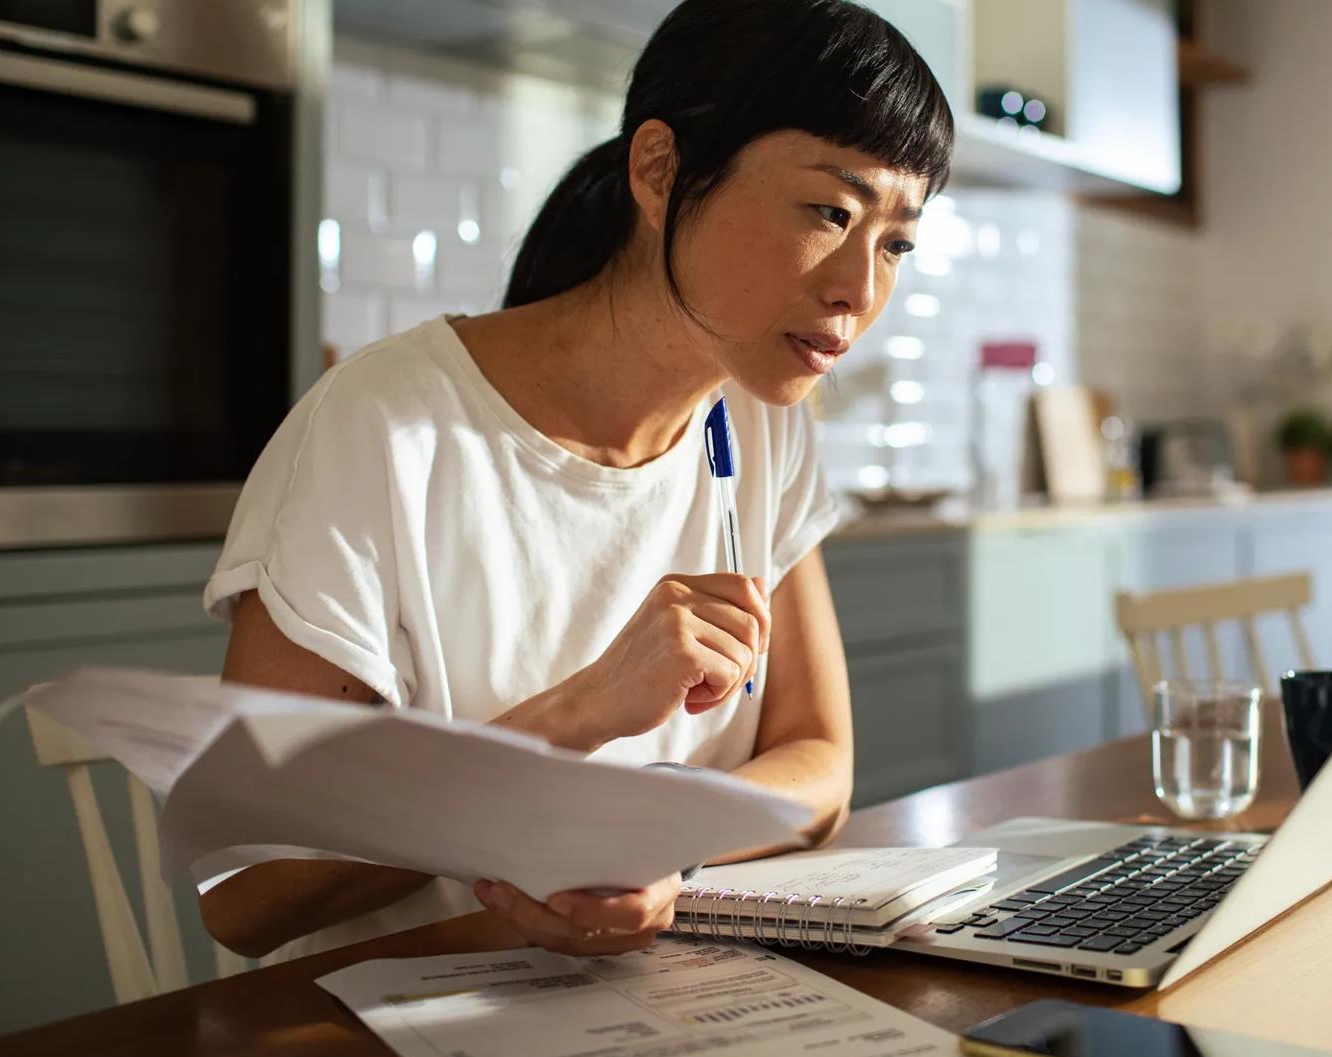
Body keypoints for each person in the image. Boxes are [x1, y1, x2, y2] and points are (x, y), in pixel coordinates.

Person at [196, 0, 953, 963]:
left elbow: (821, 770)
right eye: (830, 212)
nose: (861, 288)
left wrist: (650, 844)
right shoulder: (381, 429)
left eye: (896, 242)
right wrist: (572, 721)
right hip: (400, 1021)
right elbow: (250, 890)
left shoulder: (759, 420)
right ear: (660, 171)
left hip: (664, 1009)